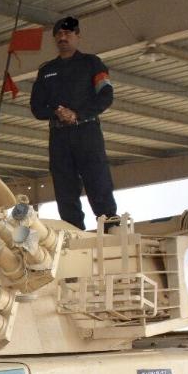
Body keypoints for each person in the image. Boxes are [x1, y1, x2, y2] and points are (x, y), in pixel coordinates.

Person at [29, 15, 118, 230]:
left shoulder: (92, 63)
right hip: (59, 135)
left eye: (68, 33)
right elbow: (36, 107)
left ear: (77, 36)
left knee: (97, 177)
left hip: (86, 130)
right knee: (64, 184)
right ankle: (72, 230)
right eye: (59, 34)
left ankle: (110, 225)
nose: (63, 37)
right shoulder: (46, 70)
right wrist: (56, 113)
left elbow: (106, 95)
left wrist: (78, 114)